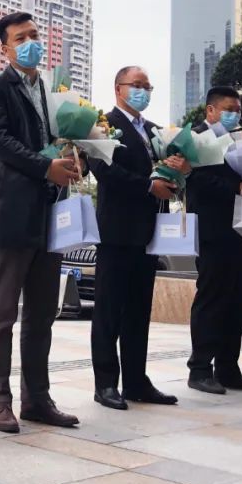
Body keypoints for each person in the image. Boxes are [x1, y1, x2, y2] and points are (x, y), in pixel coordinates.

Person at [0, 12, 82, 433]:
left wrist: (75, 159)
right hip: (13, 212)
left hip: (52, 214)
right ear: (4, 47)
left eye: (35, 35)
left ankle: (37, 398)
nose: (31, 43)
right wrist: (45, 167)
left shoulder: (53, 90)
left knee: (42, 313)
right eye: (21, 38)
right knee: (2, 314)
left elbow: (66, 140)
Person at [88, 66, 183, 410]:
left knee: (139, 310)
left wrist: (176, 169)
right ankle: (106, 384)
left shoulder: (155, 131)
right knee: (109, 310)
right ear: (118, 88)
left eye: (148, 86)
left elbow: (164, 170)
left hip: (149, 231)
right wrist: (148, 185)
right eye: (137, 85)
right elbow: (104, 171)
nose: (143, 91)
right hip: (116, 230)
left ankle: (136, 381)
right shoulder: (102, 124)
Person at [185, 87, 242, 394]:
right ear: (211, 111)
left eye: (238, 110)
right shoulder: (196, 138)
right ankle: (200, 368)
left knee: (239, 298)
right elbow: (194, 179)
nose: (234, 115)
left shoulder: (236, 141)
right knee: (212, 298)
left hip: (241, 231)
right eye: (229, 109)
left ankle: (228, 368)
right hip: (212, 231)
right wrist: (237, 187)